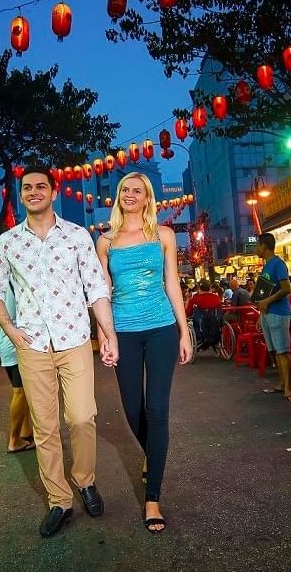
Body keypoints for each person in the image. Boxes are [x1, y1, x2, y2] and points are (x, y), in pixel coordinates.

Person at [0, 165, 118, 538]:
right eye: (27, 187)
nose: (34, 192)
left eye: (41, 186)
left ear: (53, 192)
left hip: (74, 339)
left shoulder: (77, 236)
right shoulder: (7, 243)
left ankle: (85, 480)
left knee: (82, 416)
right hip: (33, 346)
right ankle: (60, 500)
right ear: (21, 193)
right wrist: (10, 329)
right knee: (45, 427)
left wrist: (108, 334)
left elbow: (96, 287)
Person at [97, 172, 192, 534]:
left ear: (148, 198)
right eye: (125, 190)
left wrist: (184, 331)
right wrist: (105, 336)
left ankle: (153, 496)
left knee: (156, 409)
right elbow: (101, 294)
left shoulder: (163, 235)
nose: (131, 194)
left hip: (162, 329)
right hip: (124, 331)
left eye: (138, 190)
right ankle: (153, 454)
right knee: (133, 409)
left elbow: (173, 284)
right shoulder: (105, 242)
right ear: (118, 196)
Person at [0, 282, 35, 453]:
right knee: (20, 391)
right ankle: (14, 439)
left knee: (22, 390)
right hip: (15, 344)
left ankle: (26, 432)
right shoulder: (13, 283)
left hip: (5, 345)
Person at [254, 233, 291, 403]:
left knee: (282, 351)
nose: (256, 249)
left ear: (264, 246)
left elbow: (286, 288)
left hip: (279, 313)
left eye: (258, 245)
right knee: (275, 351)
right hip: (267, 314)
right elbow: (263, 293)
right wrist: (260, 315)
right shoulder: (266, 267)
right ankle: (282, 384)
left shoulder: (278, 264)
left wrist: (267, 301)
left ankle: (288, 388)